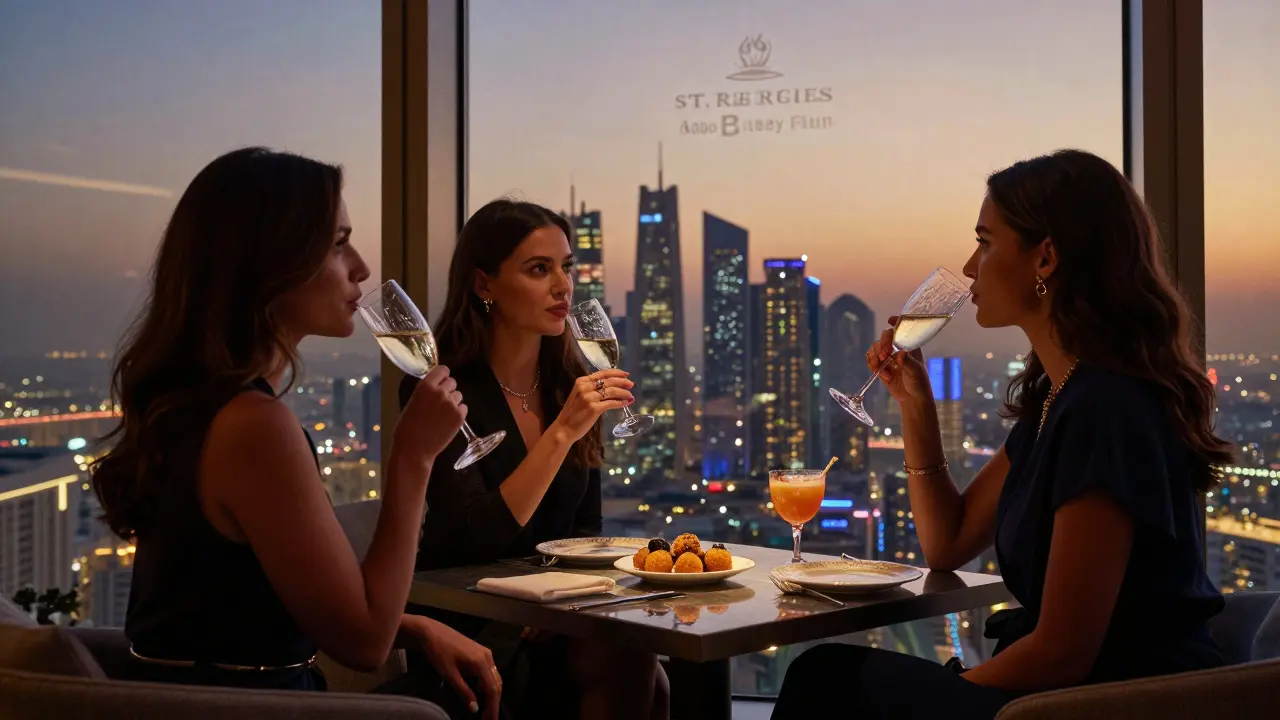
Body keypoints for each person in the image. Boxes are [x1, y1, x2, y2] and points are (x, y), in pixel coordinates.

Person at [772, 149, 1233, 720]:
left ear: (1046, 258)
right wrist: (916, 408)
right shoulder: (1060, 401)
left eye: (985, 242)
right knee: (831, 678)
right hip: (1068, 692)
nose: (970, 267)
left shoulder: (1102, 411)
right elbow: (948, 542)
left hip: (1114, 702)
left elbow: (1062, 652)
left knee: (826, 679)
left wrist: (958, 683)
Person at [91, 147, 503, 719]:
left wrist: (415, 626)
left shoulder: (197, 408)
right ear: (268, 263)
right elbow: (363, 644)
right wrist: (413, 456)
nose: (361, 267)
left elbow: (239, 606)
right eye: (338, 243)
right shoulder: (253, 427)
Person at [398, 198, 669, 720]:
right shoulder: (440, 390)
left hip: (553, 609)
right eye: (539, 269)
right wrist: (561, 433)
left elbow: (587, 529)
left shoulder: (570, 381)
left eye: (567, 267)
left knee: (641, 655)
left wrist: (560, 595)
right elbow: (476, 537)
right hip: (468, 612)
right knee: (629, 660)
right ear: (484, 285)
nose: (563, 286)